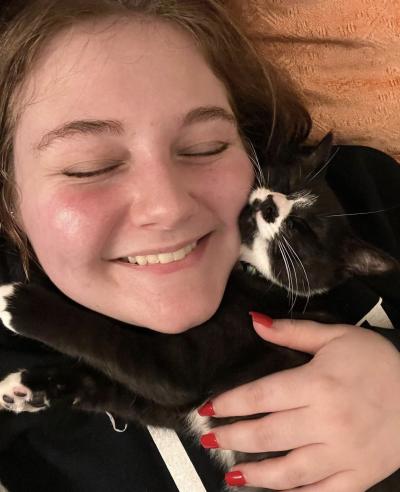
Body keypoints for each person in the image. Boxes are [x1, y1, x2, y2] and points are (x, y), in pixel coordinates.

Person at [0, 1, 399, 491]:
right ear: (9, 198)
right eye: (91, 167)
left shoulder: (363, 193)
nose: (167, 207)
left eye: (204, 148)